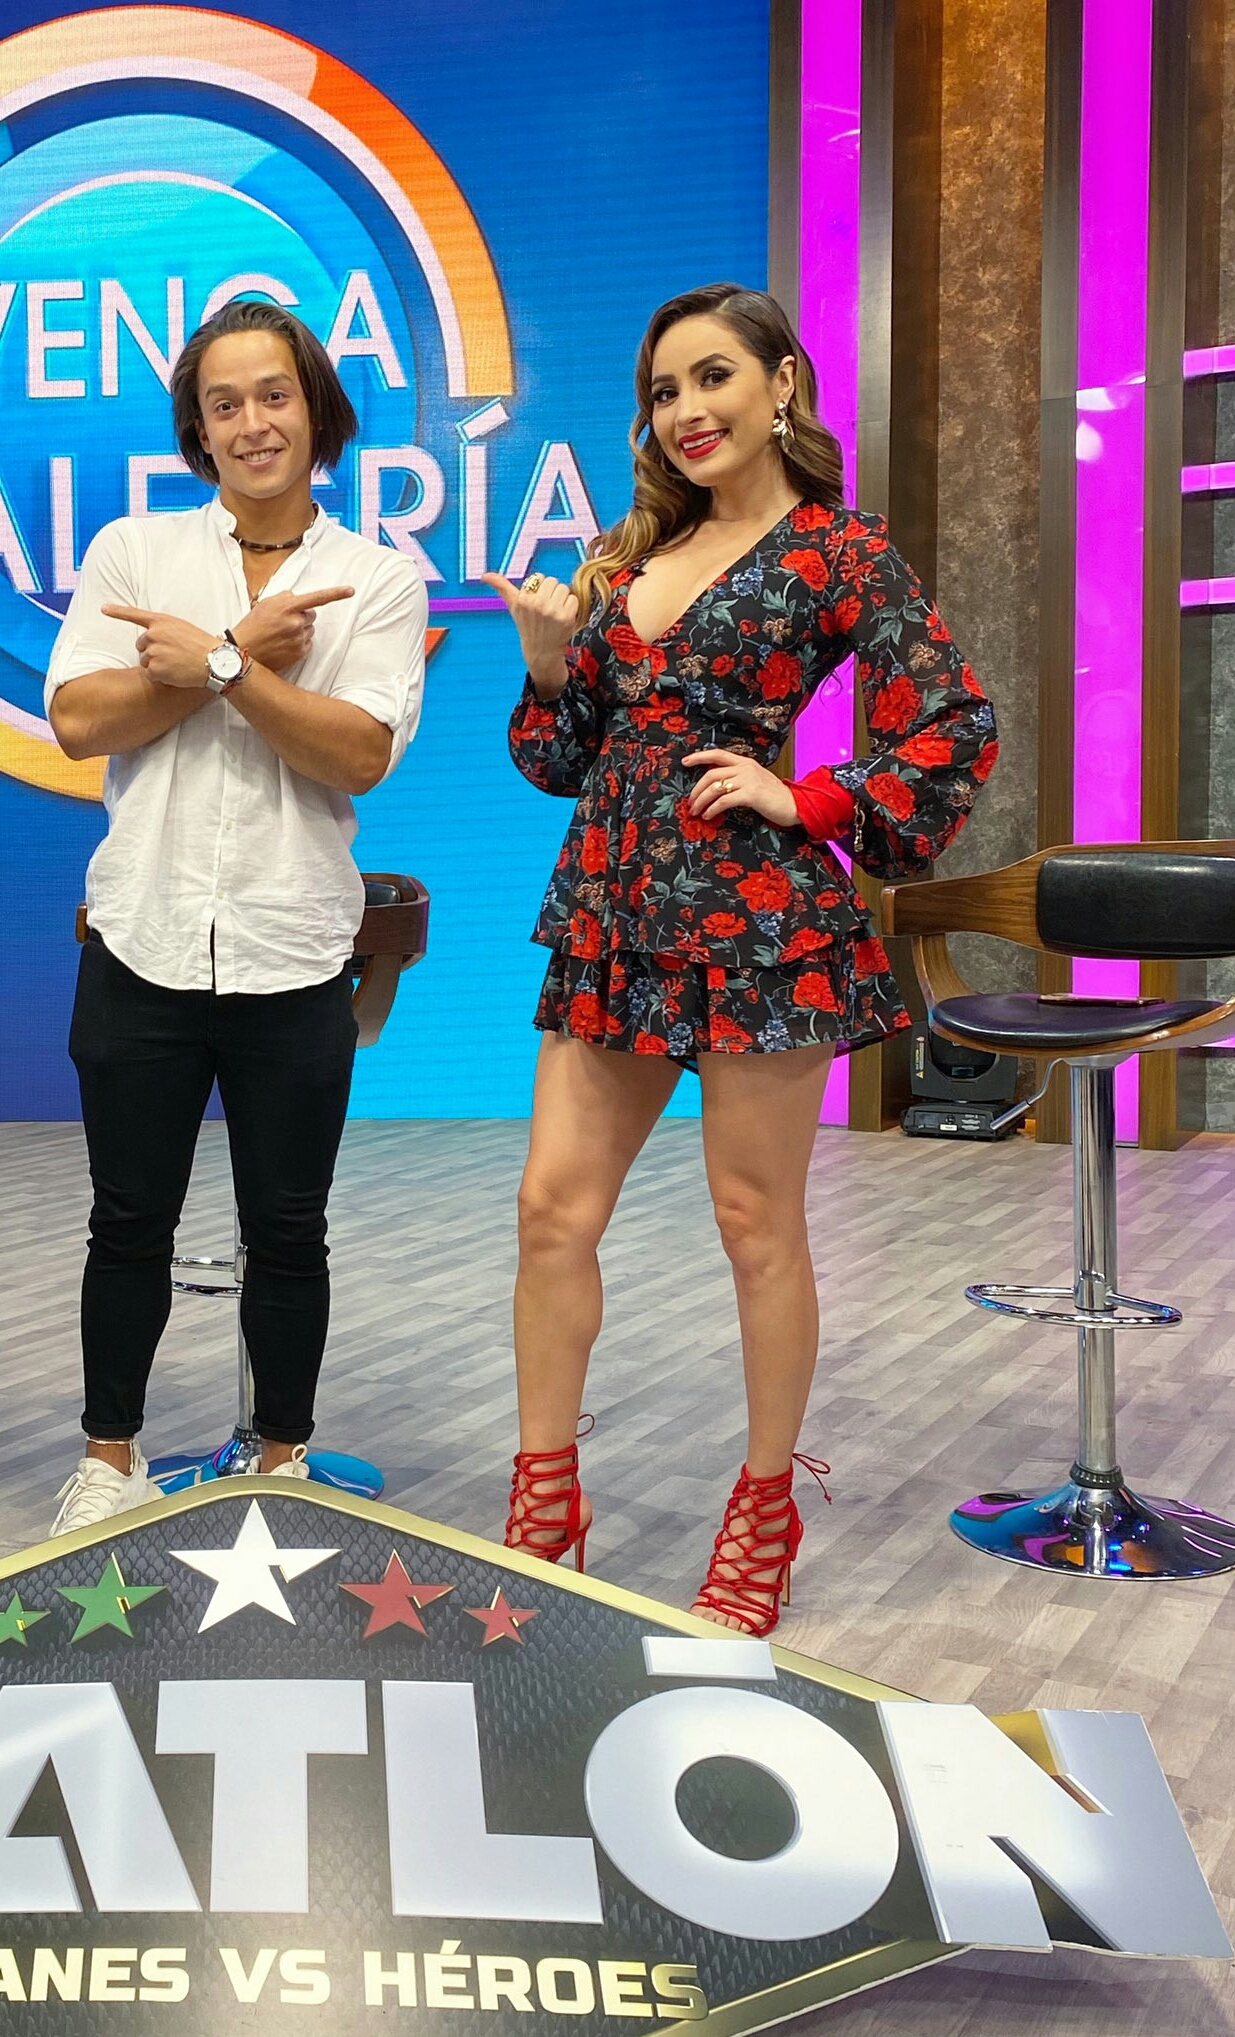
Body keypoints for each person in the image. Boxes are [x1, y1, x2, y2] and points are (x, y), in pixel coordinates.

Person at [484, 283, 997, 1635]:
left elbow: (953, 719)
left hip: (760, 927)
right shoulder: (625, 556)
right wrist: (550, 665)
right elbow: (559, 760)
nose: (687, 410)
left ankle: (765, 1509)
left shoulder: (840, 551)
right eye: (664, 391)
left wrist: (809, 797)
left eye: (713, 376)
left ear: (783, 385)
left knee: (754, 1222)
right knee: (550, 1212)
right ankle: (545, 1501)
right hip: (610, 912)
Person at [45, 297, 427, 1535]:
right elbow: (80, 721)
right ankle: (109, 1458)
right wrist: (242, 647)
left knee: (289, 1229)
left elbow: (356, 752)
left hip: (293, 946)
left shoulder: (376, 577)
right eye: (224, 403)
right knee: (126, 1222)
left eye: (274, 394)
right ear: (197, 430)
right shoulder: (133, 551)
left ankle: (282, 1454)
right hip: (141, 938)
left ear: (317, 409)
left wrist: (214, 664)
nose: (253, 421)